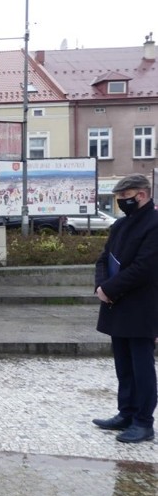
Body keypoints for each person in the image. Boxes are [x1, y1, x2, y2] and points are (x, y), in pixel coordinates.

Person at [93, 173, 158, 443]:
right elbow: (103, 258)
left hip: (142, 306)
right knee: (123, 364)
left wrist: (110, 289)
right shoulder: (120, 225)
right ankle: (126, 412)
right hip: (116, 305)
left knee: (142, 366)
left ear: (141, 195)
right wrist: (101, 287)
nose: (121, 203)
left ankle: (144, 422)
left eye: (124, 198)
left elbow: (145, 267)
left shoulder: (154, 225)